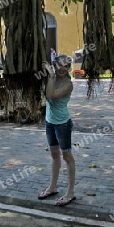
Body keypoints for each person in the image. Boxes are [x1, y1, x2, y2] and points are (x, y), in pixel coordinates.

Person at [38, 54, 76, 206]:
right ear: (55, 64)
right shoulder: (51, 78)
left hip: (63, 124)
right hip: (50, 122)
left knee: (67, 157)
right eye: (60, 65)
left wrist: (51, 74)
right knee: (54, 155)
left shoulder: (68, 84)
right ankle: (53, 187)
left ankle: (71, 192)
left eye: (66, 66)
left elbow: (50, 95)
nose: (63, 68)